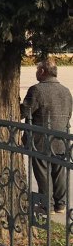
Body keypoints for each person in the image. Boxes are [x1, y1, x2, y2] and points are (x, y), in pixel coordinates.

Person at [21, 60, 72, 214]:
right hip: (61, 138)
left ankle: (47, 205)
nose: (36, 72)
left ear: (43, 71)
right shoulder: (66, 91)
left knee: (43, 173)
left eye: (37, 70)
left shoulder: (37, 90)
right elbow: (69, 114)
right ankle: (60, 204)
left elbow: (24, 112)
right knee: (59, 173)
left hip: (40, 140)